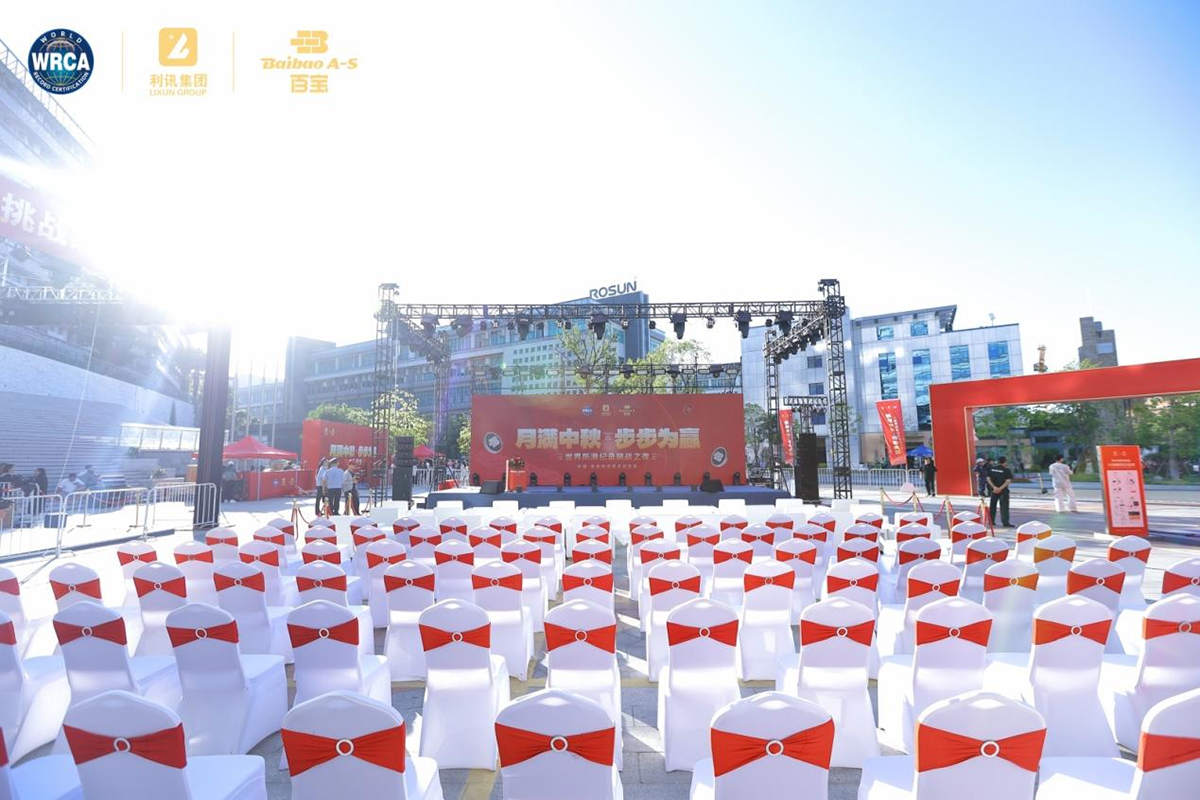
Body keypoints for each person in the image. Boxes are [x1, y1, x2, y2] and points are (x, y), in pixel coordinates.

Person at [986, 456, 1014, 528]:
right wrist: (1000, 488)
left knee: (992, 506)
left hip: (993, 491)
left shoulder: (991, 469)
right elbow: (1008, 481)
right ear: (1004, 462)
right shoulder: (1006, 470)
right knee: (1004, 507)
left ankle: (991, 521)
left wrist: (994, 487)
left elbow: (988, 479)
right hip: (1003, 491)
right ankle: (1005, 523)